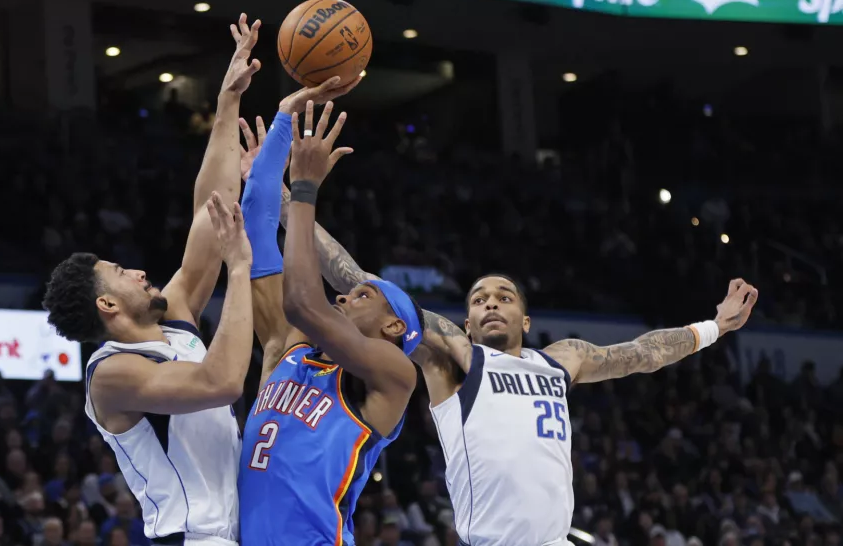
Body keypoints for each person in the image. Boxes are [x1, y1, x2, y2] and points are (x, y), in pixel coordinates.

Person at [246, 123, 760, 545]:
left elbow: (642, 353)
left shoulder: (561, 361)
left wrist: (713, 326)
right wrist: (288, 199)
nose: (491, 301)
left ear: (526, 322)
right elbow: (358, 281)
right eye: (478, 299)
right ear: (466, 321)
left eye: (505, 296)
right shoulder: (452, 357)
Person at [41, 14, 261, 546]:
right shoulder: (111, 375)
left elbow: (209, 215)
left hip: (244, 531)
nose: (139, 272)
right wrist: (238, 268)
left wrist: (227, 102)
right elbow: (222, 384)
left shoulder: (176, 322)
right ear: (108, 307)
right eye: (121, 274)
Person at [236, 99, 424, 546]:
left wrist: (304, 190)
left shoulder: (394, 374)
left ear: (394, 327)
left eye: (363, 295)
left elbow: (303, 301)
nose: (343, 294)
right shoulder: (289, 349)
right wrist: (280, 131)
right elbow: (257, 230)